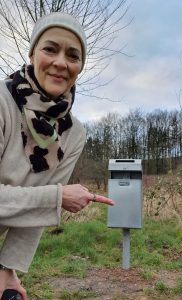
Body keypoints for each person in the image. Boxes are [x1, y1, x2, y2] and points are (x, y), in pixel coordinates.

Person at [0, 12, 114, 300]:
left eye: (73, 56)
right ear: (32, 53)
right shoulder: (2, 103)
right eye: (50, 49)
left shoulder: (74, 134)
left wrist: (7, 267)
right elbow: (50, 198)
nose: (61, 63)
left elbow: (39, 208)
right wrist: (57, 198)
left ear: (80, 67)